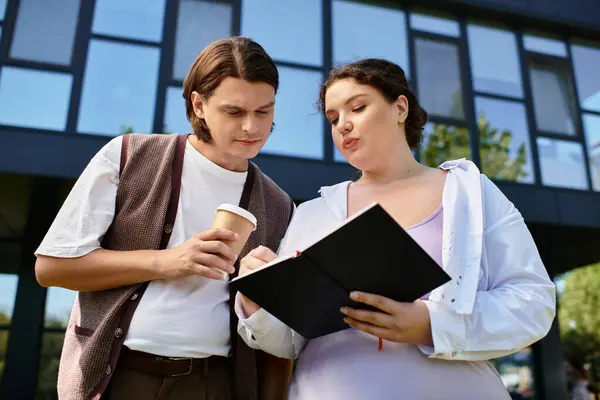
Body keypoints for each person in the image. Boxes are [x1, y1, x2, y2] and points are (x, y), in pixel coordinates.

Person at [235, 58, 556, 399]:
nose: (343, 124)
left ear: (400, 107)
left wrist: (432, 325)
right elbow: (288, 341)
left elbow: (533, 302)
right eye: (333, 118)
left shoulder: (470, 193)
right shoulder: (312, 214)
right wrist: (260, 302)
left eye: (357, 107)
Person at [34, 37, 294, 400]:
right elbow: (51, 267)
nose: (251, 127)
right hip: (118, 377)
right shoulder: (127, 155)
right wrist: (166, 261)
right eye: (234, 112)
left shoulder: (280, 206)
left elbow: (278, 337)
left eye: (263, 111)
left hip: (214, 385)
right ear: (199, 104)